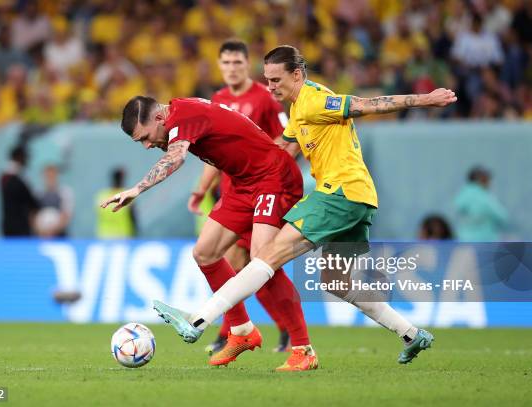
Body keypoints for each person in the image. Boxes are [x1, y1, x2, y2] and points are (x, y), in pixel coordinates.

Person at [153, 45, 457, 366]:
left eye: (275, 79)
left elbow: (365, 105)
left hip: (338, 194)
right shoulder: (299, 109)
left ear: (296, 74)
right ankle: (411, 333)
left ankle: (199, 319)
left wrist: (425, 100)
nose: (270, 87)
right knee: (336, 283)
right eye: (266, 80)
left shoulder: (314, 99)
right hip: (359, 199)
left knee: (266, 255)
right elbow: (281, 149)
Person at [100, 95, 316, 371]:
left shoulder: (183, 116)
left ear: (158, 118)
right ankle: (241, 331)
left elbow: (175, 158)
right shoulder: (181, 115)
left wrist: (137, 189)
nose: (147, 145)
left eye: (145, 137)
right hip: (242, 183)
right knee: (205, 252)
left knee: (263, 261)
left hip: (272, 177)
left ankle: (302, 348)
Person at [188, 39, 298, 354]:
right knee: (239, 265)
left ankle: (250, 331)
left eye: (238, 62)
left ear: (247, 65)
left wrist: (272, 173)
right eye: (226, 63)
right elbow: (214, 154)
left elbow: (289, 138)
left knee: (256, 265)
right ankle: (244, 331)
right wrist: (201, 189)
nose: (232, 68)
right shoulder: (218, 99)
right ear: (219, 66)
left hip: (263, 191)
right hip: (233, 195)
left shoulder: (264, 98)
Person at [454, 166, 508, 241]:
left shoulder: (460, 196)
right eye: (487, 178)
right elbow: (503, 217)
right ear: (481, 179)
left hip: (464, 241)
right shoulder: (484, 197)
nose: (489, 182)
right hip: (485, 242)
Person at [0, 145, 40, 237]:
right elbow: (32, 202)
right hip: (20, 227)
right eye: (25, 157)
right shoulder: (18, 179)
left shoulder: (3, 177)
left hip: (8, 225)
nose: (27, 160)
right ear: (19, 157)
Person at [95, 167, 137, 239]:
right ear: (122, 179)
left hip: (104, 236)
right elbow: (133, 217)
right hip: (123, 237)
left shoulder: (102, 195)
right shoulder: (127, 195)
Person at [35, 164, 74, 238]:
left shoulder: (65, 192)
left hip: (60, 235)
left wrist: (53, 230)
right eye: (48, 176)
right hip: (41, 235)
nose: (50, 178)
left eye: (52, 176)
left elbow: (67, 214)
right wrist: (41, 230)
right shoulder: (37, 193)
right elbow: (33, 214)